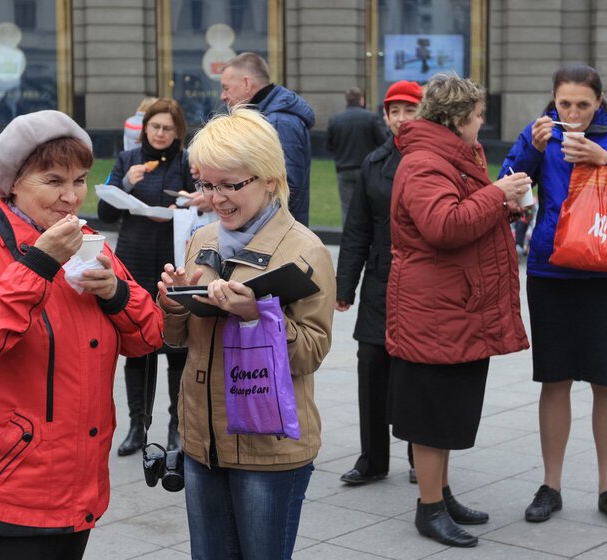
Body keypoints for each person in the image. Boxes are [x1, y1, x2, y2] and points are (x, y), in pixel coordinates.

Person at [0, 110, 164, 559]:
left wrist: (116, 293)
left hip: (79, 481)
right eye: (54, 180)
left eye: (79, 180)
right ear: (12, 183)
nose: (71, 196)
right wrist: (38, 265)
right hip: (10, 483)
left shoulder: (87, 241)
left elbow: (149, 336)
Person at [156, 106, 334, 560]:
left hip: (269, 450)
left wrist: (256, 317)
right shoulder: (203, 240)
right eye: (206, 184)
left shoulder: (305, 249)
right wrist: (173, 304)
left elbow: (312, 352)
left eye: (230, 185)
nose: (216, 199)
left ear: (270, 179)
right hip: (202, 441)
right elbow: (178, 340)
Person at [501, 64, 607, 529]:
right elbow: (507, 185)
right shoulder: (541, 132)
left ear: (599, 101)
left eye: (582, 105)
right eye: (564, 104)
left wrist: (604, 158)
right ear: (553, 100)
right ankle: (550, 486)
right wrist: (530, 151)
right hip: (552, 272)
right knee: (554, 380)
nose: (572, 114)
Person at [388, 73, 530, 548]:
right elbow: (443, 226)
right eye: (478, 115)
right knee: (432, 417)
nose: (482, 122)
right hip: (434, 309)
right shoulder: (425, 162)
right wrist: (497, 194)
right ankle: (429, 508)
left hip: (454, 306)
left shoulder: (452, 155)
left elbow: (465, 212)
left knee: (449, 413)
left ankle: (441, 494)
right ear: (456, 118)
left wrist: (503, 206)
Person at [335, 80, 421, 487]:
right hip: (379, 280)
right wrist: (345, 286)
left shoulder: (436, 158)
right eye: (394, 111)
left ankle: (421, 456)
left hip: (422, 284)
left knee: (415, 372)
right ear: (384, 117)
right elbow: (357, 230)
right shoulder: (374, 162)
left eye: (409, 109)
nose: (401, 118)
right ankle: (372, 459)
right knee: (371, 365)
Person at [98, 98, 193, 456]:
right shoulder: (127, 160)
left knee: (177, 347)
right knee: (136, 346)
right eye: (155, 126)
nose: (160, 133)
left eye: (168, 128)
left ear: (178, 132)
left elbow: (199, 204)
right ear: (145, 128)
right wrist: (125, 183)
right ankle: (137, 426)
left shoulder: (186, 162)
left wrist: (181, 205)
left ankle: (176, 426)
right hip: (133, 260)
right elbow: (105, 212)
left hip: (172, 261)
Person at [219, 52, 315, 225]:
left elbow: (285, 189)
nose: (223, 96)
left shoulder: (279, 122)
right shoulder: (269, 118)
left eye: (226, 88)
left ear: (246, 83)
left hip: (275, 233)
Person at [326, 86, 387, 224]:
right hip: (366, 169)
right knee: (367, 206)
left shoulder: (335, 119)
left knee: (346, 208)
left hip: (343, 169)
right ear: (361, 99)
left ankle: (348, 235)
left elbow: (329, 146)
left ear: (347, 100)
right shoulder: (370, 117)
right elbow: (382, 141)